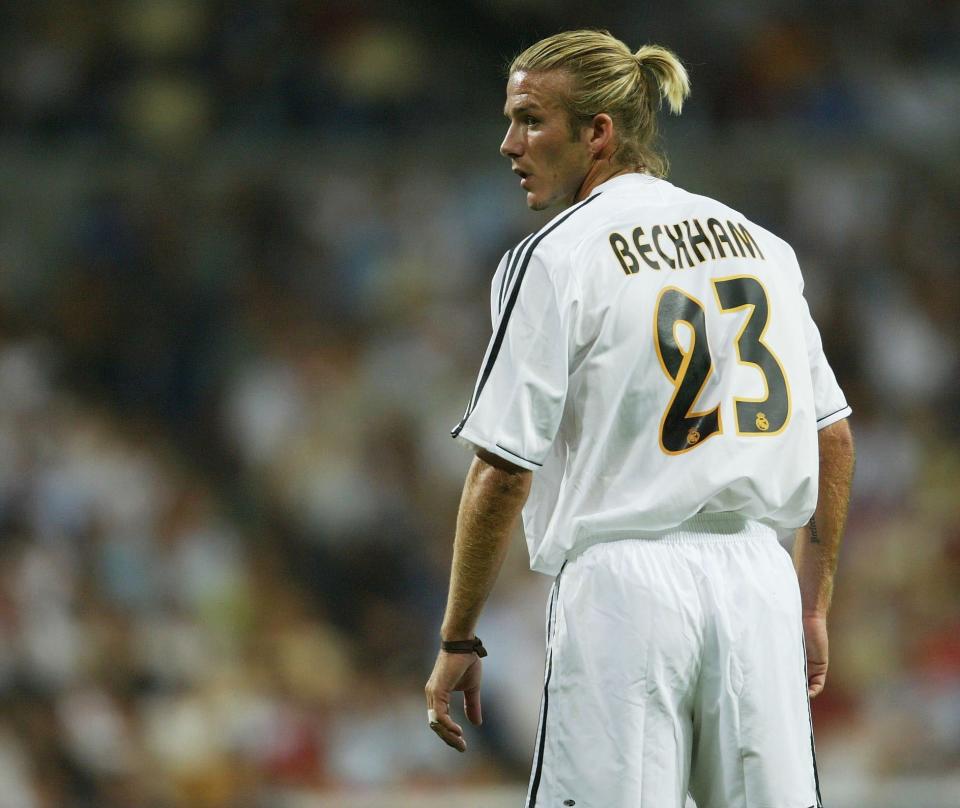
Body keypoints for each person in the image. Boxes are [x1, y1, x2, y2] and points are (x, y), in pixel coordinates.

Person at [424, 29, 855, 808]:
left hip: (623, 588)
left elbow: (502, 472)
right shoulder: (763, 247)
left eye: (529, 120)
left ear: (599, 132)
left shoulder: (554, 257)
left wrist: (458, 633)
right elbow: (832, 436)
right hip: (758, 582)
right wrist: (812, 604)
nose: (508, 143)